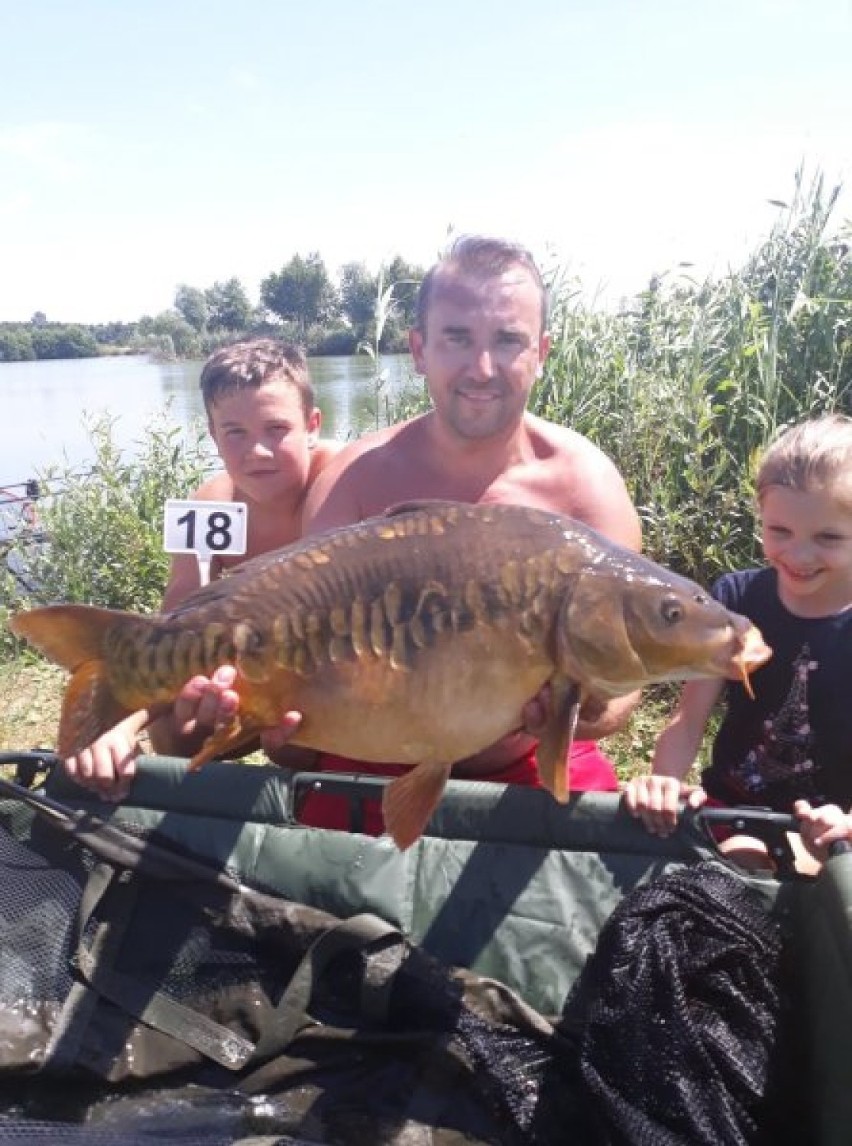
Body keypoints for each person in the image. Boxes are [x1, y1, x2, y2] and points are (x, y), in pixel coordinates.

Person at [255, 234, 643, 830]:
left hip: (529, 763)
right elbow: (292, 728)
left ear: (541, 352)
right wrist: (277, 727)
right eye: (457, 339)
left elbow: (621, 692)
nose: (482, 369)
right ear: (418, 350)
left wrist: (565, 716)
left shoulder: (585, 485)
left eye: (508, 340)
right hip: (368, 758)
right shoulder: (355, 481)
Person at [63, 338, 341, 796]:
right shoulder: (209, 503)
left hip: (329, 674)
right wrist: (120, 727)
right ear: (212, 436)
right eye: (235, 433)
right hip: (239, 671)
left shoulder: (342, 482)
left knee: (291, 749)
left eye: (277, 429)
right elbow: (168, 632)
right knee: (173, 735)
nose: (258, 451)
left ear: (312, 425)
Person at [623, 414, 852, 868]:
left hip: (834, 824)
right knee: (740, 867)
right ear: (760, 515)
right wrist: (663, 781)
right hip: (735, 809)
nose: (799, 555)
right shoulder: (735, 601)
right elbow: (688, 721)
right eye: (779, 532)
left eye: (828, 537)